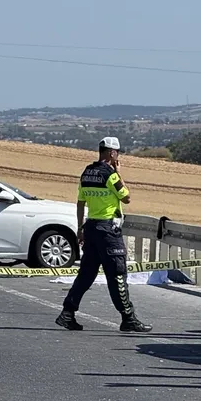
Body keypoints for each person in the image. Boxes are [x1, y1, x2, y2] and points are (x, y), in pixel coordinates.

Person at [56, 137, 152, 334]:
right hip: (108, 231)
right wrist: (118, 172)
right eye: (118, 153)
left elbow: (80, 202)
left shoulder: (86, 173)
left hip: (90, 227)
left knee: (86, 275)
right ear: (112, 153)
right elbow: (126, 197)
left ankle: (67, 312)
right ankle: (128, 318)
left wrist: (80, 229)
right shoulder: (110, 174)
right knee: (117, 274)